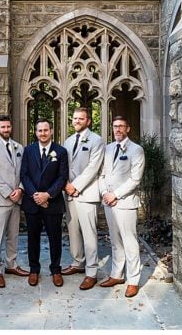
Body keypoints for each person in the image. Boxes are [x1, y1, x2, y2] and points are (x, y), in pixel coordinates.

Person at [97, 115, 144, 298]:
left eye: (121, 126)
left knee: (130, 242)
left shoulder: (136, 150)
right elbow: (101, 175)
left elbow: (135, 179)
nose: (117, 129)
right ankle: (117, 275)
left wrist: (115, 195)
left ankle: (133, 281)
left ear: (128, 129)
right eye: (115, 126)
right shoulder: (108, 149)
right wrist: (104, 194)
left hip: (125, 203)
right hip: (109, 202)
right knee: (115, 242)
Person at [19, 118, 69, 287]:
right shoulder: (28, 150)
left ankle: (56, 270)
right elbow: (24, 175)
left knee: (55, 238)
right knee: (32, 238)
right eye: (40, 130)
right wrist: (36, 195)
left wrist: (47, 195)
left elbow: (62, 177)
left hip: (52, 202)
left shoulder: (60, 151)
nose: (43, 133)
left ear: (51, 131)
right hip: (32, 202)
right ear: (35, 132)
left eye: (46, 130)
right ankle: (34, 270)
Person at [0, 115, 30, 288]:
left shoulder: (19, 147)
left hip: (17, 199)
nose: (6, 130)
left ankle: (11, 265)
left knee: (14, 235)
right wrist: (8, 192)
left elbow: (24, 172)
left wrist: (20, 189)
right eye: (2, 127)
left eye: (8, 127)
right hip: (0, 199)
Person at [60, 107, 104, 291]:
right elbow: (63, 166)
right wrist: (66, 184)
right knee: (73, 230)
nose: (77, 121)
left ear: (89, 121)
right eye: (75, 118)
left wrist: (75, 186)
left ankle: (91, 272)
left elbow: (93, 167)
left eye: (81, 118)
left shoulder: (97, 140)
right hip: (69, 193)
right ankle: (78, 262)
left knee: (89, 233)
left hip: (86, 194)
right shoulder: (68, 141)